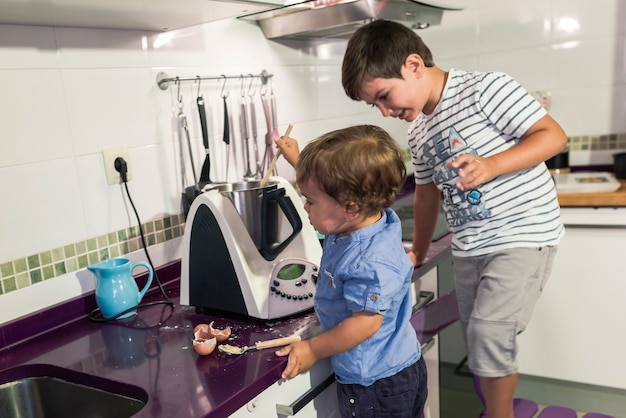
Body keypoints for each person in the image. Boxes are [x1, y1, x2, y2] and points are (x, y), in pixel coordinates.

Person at [338, 19, 567, 418]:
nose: (385, 111)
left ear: (412, 65)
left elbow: (552, 135)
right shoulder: (418, 132)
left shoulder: (485, 88)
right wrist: (418, 253)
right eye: (375, 105)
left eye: (384, 96)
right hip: (470, 246)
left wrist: (492, 164)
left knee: (488, 333)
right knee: (477, 341)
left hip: (522, 233)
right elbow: (426, 194)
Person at [274, 125, 427, 418]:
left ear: (350, 206)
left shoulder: (368, 261)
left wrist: (313, 350)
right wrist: (299, 160)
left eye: (310, 201)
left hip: (376, 384)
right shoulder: (366, 219)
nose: (305, 207)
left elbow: (365, 324)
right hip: (401, 367)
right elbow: (332, 196)